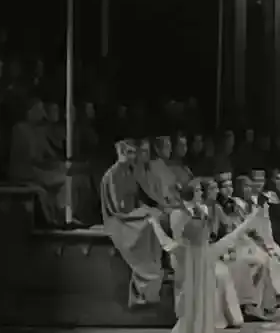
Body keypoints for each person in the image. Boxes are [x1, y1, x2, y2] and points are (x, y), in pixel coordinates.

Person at [150, 186, 267, 333]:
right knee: (193, 301)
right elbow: (168, 242)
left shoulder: (199, 247)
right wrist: (155, 224)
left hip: (199, 275)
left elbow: (234, 235)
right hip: (189, 275)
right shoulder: (186, 243)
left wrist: (155, 225)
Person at [100, 139, 164, 307]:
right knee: (147, 224)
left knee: (156, 218)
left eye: (134, 152)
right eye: (129, 153)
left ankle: (153, 280)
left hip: (131, 214)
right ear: (120, 153)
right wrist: (138, 213)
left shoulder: (130, 172)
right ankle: (143, 283)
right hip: (118, 219)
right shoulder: (111, 175)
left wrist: (144, 209)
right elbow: (116, 207)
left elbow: (137, 199)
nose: (132, 156)